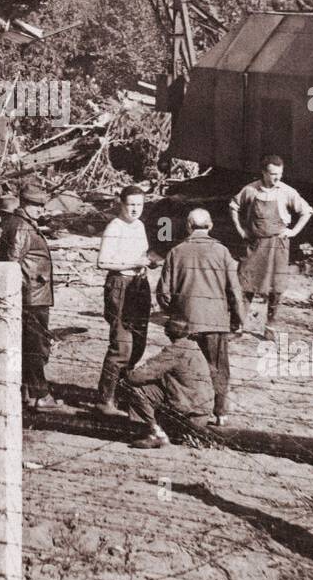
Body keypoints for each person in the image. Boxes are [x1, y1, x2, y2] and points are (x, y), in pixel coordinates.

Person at [155, 208, 247, 426]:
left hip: (185, 322)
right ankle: (220, 412)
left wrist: (174, 311)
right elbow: (234, 290)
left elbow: (164, 293)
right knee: (217, 367)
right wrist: (238, 319)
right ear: (211, 226)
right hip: (215, 322)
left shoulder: (176, 252)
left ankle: (189, 409)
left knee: (187, 367)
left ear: (188, 226)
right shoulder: (222, 252)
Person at [0, 182, 62, 409]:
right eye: (35, 205)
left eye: (41, 205)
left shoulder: (20, 224)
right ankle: (40, 394)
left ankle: (28, 392)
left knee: (30, 346)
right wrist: (23, 291)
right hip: (32, 297)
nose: (40, 210)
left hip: (32, 295)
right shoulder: (23, 227)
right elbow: (12, 263)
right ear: (24, 204)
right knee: (36, 347)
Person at [229, 155, 313, 326]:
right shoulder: (251, 190)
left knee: (277, 287)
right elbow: (233, 206)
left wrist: (294, 232)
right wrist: (240, 229)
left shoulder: (287, 191)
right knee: (245, 285)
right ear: (263, 173)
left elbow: (307, 211)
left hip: (277, 246)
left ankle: (271, 326)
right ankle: (237, 326)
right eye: (273, 174)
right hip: (254, 245)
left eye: (280, 174)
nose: (277, 177)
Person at [95, 184, 154, 416]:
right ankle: (105, 399)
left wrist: (149, 261)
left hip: (139, 285)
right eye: (131, 205)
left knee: (138, 344)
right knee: (122, 344)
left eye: (139, 205)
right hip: (121, 284)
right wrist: (134, 264)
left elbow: (142, 254)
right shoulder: (114, 227)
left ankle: (123, 394)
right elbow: (102, 262)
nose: (135, 210)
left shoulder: (139, 225)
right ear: (121, 204)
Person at [122, 318, 214, 449]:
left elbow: (137, 377)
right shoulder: (193, 347)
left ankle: (156, 434)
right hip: (202, 409)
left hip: (189, 411)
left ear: (166, 332)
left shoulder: (175, 350)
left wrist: (125, 375)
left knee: (136, 389)